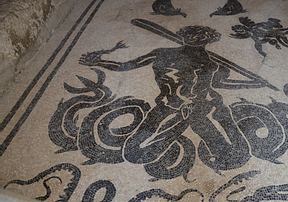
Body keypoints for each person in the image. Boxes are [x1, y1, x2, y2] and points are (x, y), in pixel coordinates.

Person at [79, 25, 252, 173]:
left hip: (203, 106)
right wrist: (99, 62)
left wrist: (253, 84)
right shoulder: (164, 54)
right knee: (132, 153)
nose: (195, 38)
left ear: (209, 40)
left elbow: (221, 84)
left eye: (201, 36)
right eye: (192, 34)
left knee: (232, 155)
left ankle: (196, 125)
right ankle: (178, 125)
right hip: (169, 105)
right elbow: (127, 65)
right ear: (183, 36)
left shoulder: (211, 64)